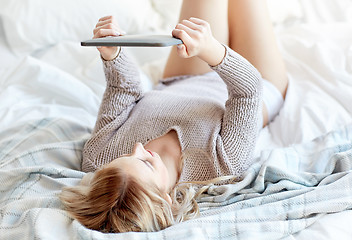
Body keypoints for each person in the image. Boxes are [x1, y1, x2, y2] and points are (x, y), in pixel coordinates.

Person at [59, 0, 288, 233]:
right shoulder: (222, 165)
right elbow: (248, 91)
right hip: (259, 84)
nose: (138, 147)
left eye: (126, 154)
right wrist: (212, 51)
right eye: (146, 162)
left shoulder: (100, 158)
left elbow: (123, 90)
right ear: (166, 199)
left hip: (182, 77)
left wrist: (113, 53)